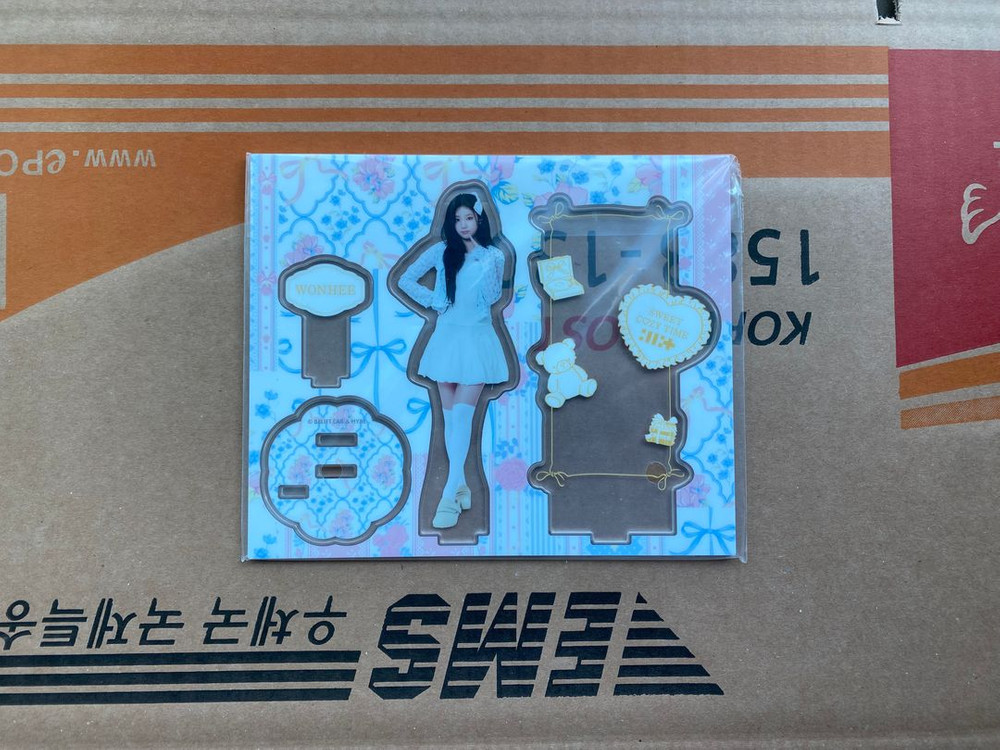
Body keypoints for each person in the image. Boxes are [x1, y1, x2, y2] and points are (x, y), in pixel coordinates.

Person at [396, 193, 510, 529]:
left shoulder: (493, 256)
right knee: (450, 421)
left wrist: (486, 262)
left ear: (479, 220)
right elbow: (405, 279)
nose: (463, 225)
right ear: (451, 222)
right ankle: (460, 485)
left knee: (462, 416)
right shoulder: (441, 251)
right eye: (458, 219)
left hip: (477, 339)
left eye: (469, 218)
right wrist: (434, 301)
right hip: (446, 338)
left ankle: (449, 494)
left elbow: (492, 297)